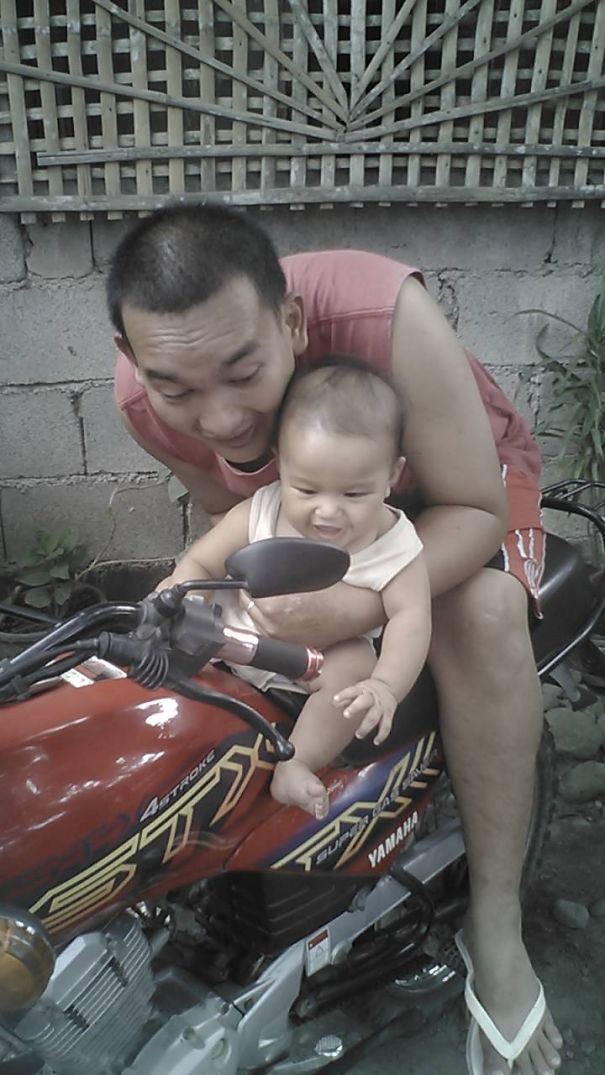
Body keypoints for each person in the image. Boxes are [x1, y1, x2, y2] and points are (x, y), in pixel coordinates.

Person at [108, 204, 563, 1075]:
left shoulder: (386, 314)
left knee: (481, 612)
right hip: (331, 509)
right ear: (138, 365)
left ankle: (496, 925)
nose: (224, 416)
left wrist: (360, 608)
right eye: (179, 389)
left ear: (292, 323)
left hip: (462, 481)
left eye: (244, 372)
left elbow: (472, 507)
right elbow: (233, 519)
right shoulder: (141, 397)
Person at [157, 357, 431, 819]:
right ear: (281, 465)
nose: (327, 513)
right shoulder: (261, 510)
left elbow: (411, 618)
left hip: (316, 663)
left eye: (353, 495)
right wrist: (184, 591)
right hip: (227, 641)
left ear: (392, 476)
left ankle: (297, 760)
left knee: (357, 669)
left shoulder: (396, 545)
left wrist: (386, 685)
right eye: (306, 489)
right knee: (171, 600)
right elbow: (203, 559)